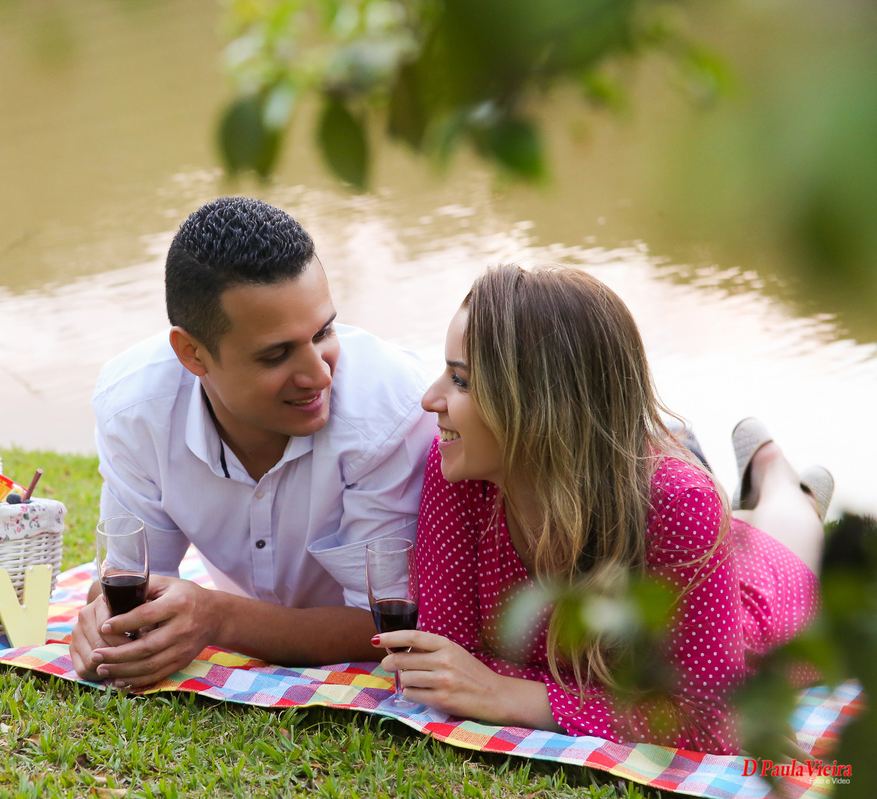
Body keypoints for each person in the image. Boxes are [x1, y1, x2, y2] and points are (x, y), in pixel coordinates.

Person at [374, 263, 829, 754]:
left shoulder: (681, 503)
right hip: (688, 560)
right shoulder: (460, 470)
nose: (429, 399)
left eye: (460, 380)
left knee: (789, 536)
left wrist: (509, 694)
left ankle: (777, 475)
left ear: (538, 403)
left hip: (757, 613)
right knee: (737, 531)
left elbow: (710, 723)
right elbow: (448, 659)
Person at [69, 197, 437, 688]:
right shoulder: (134, 408)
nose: (318, 374)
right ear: (193, 353)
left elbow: (393, 626)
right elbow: (132, 582)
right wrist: (106, 625)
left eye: (323, 331)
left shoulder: (392, 411)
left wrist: (217, 617)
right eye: (277, 354)